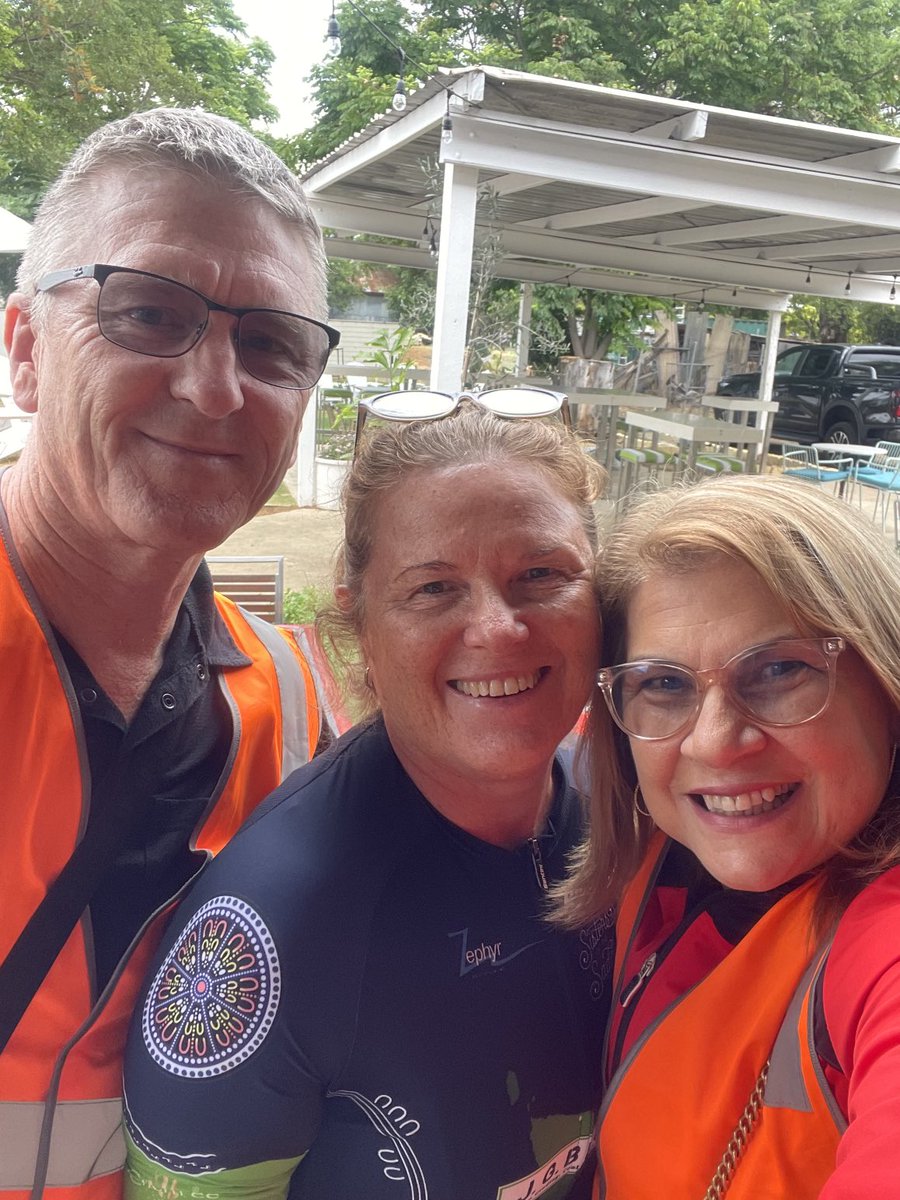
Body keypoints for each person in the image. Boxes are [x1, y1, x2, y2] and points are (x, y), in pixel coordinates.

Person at [122, 397, 615, 1200]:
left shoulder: (626, 815)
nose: (499, 628)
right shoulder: (268, 929)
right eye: (433, 589)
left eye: (542, 575)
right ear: (359, 628)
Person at [0, 108, 340, 1199]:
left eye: (271, 344)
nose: (214, 387)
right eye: (148, 313)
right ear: (24, 350)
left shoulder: (288, 705)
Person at [559, 474, 900, 1199]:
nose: (715, 742)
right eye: (665, 685)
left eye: (780, 670)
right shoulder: (660, 853)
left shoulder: (882, 951)